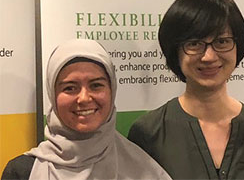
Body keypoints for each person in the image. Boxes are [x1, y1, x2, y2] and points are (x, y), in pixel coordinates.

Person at [127, 0, 244, 179]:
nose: (209, 56)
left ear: (238, 47)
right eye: (194, 43)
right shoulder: (149, 133)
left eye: (222, 41)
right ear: (175, 51)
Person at [1, 39, 170, 180]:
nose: (84, 98)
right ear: (53, 95)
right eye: (70, 88)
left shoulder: (143, 169)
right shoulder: (22, 173)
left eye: (96, 85)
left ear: (112, 90)